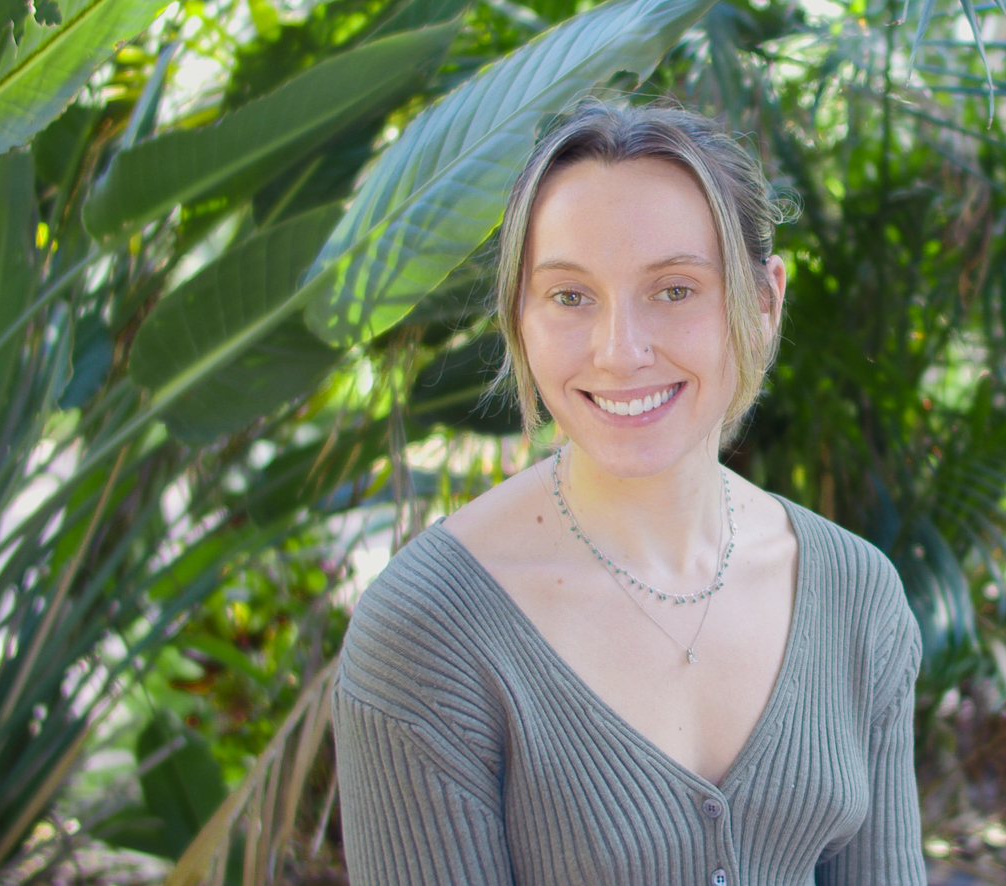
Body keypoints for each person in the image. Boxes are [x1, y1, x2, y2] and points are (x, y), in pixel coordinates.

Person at [332, 102, 924, 885]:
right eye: (571, 297)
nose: (620, 352)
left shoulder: (856, 596)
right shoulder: (428, 633)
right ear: (520, 316)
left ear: (764, 300)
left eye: (674, 290)